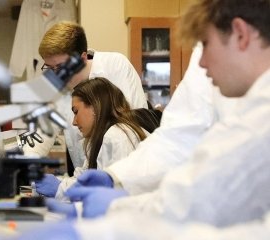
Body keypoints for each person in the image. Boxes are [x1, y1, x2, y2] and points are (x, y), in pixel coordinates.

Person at [14, 0, 270, 238]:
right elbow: (176, 138)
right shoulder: (249, 100)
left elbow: (205, 194)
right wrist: (114, 177)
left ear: (240, 34)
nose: (201, 64)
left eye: (206, 45)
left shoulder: (261, 110)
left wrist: (115, 213)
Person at [36, 21, 150, 174]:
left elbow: (133, 125)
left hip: (127, 173)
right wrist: (26, 161)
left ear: (82, 59)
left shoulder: (115, 66)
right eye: (49, 68)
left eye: (61, 67)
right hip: (84, 178)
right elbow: (41, 135)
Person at [35, 77, 158, 200]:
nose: (74, 122)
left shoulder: (118, 136)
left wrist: (60, 189)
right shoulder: (99, 139)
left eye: (76, 111)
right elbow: (84, 178)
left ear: (95, 107)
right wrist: (60, 186)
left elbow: (114, 195)